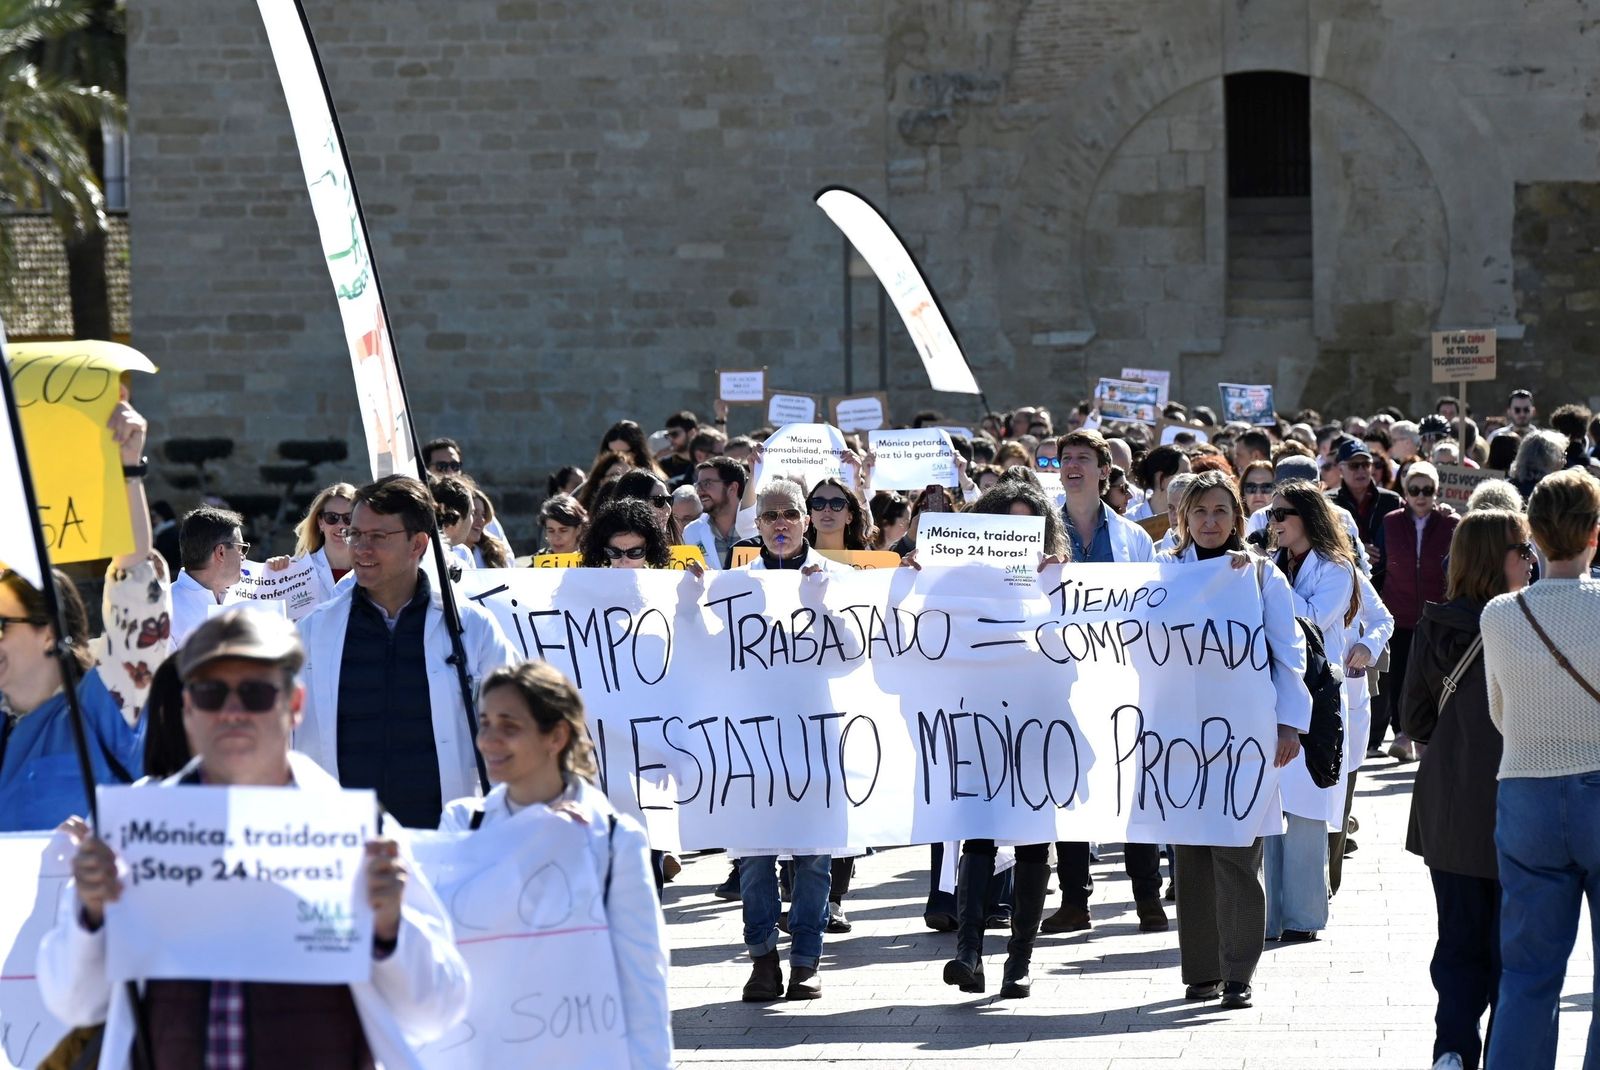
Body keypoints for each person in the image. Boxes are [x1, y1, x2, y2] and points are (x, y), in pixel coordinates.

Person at [39, 610, 470, 1067]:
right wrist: (90, 915)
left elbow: (438, 1011)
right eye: (210, 693)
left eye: (256, 693)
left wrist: (390, 929)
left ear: (295, 705)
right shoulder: (135, 832)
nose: (232, 712)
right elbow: (71, 1002)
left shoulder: (357, 831)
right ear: (187, 709)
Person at [440, 661, 672, 1069]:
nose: (489, 740)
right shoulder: (462, 824)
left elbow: (644, 979)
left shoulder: (616, 840)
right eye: (484, 723)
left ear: (556, 736)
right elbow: (434, 952)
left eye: (509, 726)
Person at [1158, 471, 1309, 1010]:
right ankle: (1201, 971)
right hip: (1177, 737)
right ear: (1184, 518)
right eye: (1199, 511)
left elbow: (1287, 654)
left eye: (1221, 511)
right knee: (1191, 855)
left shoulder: (1263, 576)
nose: (1209, 521)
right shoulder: (1163, 570)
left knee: (1238, 852)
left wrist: (1289, 724)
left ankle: (1238, 970)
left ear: (1237, 518)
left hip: (1244, 734)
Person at [295, 475, 519, 829]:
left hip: (444, 841)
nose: (361, 548)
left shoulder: (473, 629)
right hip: (343, 844)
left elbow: (517, 727)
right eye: (356, 534)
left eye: (378, 537)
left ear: (417, 544)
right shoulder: (314, 631)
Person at [1401, 510, 1532, 1070]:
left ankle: (1452, 1050)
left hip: (1450, 802)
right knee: (1515, 950)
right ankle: (1505, 1052)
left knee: (1456, 940)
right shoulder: (1532, 622)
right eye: (1521, 548)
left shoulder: (1435, 623)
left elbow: (1413, 717)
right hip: (1521, 802)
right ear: (1493, 558)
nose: (1530, 557)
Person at [0, 397, 168, 832]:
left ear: (48, 631)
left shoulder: (106, 703)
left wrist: (127, 471)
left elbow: (135, 587)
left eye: (1, 625)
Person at [1480, 470, 1600, 1069]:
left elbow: (1500, 711)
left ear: (1532, 536)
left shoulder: (1501, 614)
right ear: (1594, 535)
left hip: (1526, 787)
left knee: (1527, 975)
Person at [934, 480, 1068, 999]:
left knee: (1035, 839)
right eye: (1005, 529)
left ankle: (1019, 960)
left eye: (1027, 530)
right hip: (980, 720)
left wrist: (1056, 589)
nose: (1017, 541)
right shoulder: (961, 581)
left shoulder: (1056, 578)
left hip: (1039, 720)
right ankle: (968, 952)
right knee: (980, 832)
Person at [733, 480, 846, 1002]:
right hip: (752, 739)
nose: (780, 523)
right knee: (754, 858)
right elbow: (710, 654)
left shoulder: (836, 579)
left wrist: (822, 607)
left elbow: (855, 654)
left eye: (790, 514)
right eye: (769, 515)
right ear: (756, 526)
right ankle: (762, 960)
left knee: (813, 857)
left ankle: (805, 960)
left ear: (806, 521)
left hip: (815, 736)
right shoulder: (737, 584)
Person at [1044, 428, 1160, 935]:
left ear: (1104, 471)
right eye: (1065, 458)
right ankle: (1075, 898)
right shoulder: (1044, 533)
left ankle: (1147, 896)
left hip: (1123, 679)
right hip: (1061, 679)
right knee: (1071, 784)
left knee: (1132, 785)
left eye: (1083, 459)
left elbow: (1155, 603)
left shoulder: (1134, 537)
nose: (1072, 466)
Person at [1264, 478, 1359, 943]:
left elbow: (1311, 621)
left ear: (1308, 518)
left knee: (1306, 808)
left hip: (1318, 698)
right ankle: (1269, 914)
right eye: (1270, 515)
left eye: (1282, 515)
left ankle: (1303, 915)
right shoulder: (1270, 563)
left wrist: (1271, 582)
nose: (1274, 523)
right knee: (1270, 807)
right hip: (1274, 695)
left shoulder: (1336, 567)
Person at [1372, 461, 1458, 762]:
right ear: (1404, 492)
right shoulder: (1391, 521)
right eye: (1414, 489)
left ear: (1436, 492)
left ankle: (1427, 735)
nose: (1421, 496)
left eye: (1427, 489)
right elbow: (1380, 564)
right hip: (1400, 610)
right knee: (1398, 677)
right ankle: (1402, 734)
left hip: (1437, 613)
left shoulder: (1450, 523)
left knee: (1433, 675)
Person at [170, 505, 247, 648]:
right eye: (240, 548)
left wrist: (281, 573)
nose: (243, 557)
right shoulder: (165, 609)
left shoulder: (244, 596)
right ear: (221, 552)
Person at [1331, 438, 1402, 584]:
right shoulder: (1329, 502)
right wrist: (1358, 550)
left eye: (1366, 464)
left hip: (1387, 584)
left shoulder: (1392, 501)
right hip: (1345, 583)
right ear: (1340, 469)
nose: (1361, 470)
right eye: (1354, 465)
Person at [288, 482, 359, 602]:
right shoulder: (296, 569)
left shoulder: (373, 569)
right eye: (332, 517)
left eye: (348, 518)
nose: (341, 525)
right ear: (321, 523)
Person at [682, 457, 754, 568]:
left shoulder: (761, 525)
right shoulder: (691, 531)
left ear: (732, 488)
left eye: (707, 484)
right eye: (698, 485)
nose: (700, 490)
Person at [580, 499, 675, 570]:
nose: (624, 561)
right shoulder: (593, 589)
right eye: (615, 552)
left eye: (634, 553)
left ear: (649, 548)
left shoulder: (662, 588)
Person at [612, 468, 682, 544]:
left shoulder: (679, 551)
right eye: (659, 500)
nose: (668, 508)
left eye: (669, 500)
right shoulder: (611, 550)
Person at [1508, 429, 1569, 502]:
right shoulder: (1554, 494)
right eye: (1562, 455)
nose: (1565, 462)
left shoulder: (1509, 487)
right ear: (1549, 459)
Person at [598, 419, 668, 479]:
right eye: (612, 453)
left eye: (624, 453)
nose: (618, 458)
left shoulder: (653, 479)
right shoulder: (599, 478)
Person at [466, 487, 513, 569]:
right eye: (474, 513)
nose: (481, 520)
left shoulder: (493, 554)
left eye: (483, 515)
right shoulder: (448, 554)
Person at [659, 409, 699, 486]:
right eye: (668, 436)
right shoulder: (663, 466)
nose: (670, 439)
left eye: (674, 434)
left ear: (692, 433)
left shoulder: (704, 461)